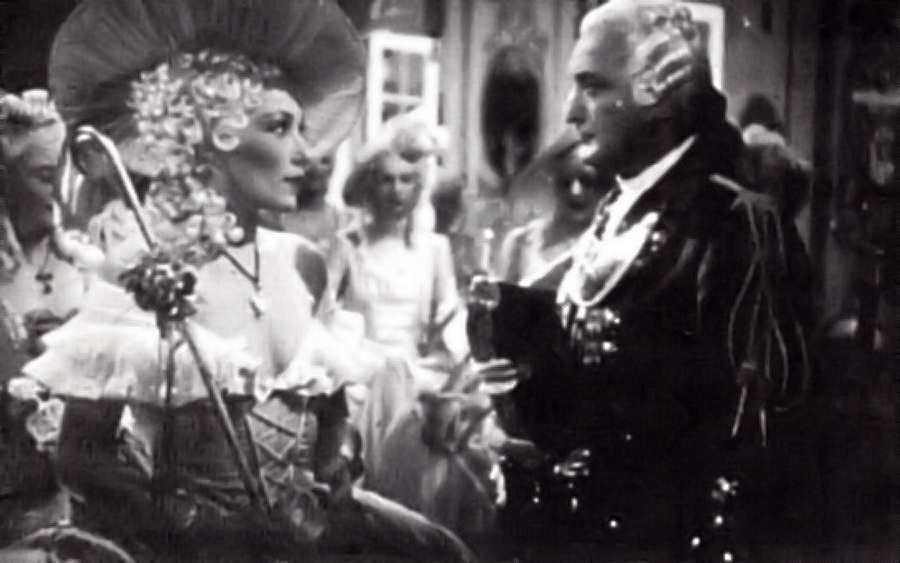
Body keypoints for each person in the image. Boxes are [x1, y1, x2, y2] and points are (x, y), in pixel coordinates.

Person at [9, 1, 474, 561]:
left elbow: (331, 424)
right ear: (209, 139)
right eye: (279, 127)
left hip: (305, 541)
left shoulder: (304, 263)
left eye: (302, 128)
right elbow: (82, 458)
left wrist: (335, 466)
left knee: (444, 551)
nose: (306, 153)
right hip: (193, 550)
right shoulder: (147, 270)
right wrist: (201, 524)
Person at [469, 1, 812, 560]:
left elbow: (753, 454)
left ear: (659, 95)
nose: (571, 112)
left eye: (592, 87)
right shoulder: (615, 213)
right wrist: (521, 422)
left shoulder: (732, 224)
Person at [330, 121, 506, 542]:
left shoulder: (434, 249)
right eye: (386, 180)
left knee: (440, 423)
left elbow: (449, 319)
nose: (396, 191)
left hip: (418, 374)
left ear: (420, 185)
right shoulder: (347, 246)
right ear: (369, 184)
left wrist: (458, 368)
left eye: (406, 180)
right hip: (359, 375)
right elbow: (327, 319)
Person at [497, 136, 609, 287]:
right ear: (553, 182)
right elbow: (505, 297)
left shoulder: (603, 245)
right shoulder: (520, 243)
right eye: (565, 183)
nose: (575, 191)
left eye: (587, 182)